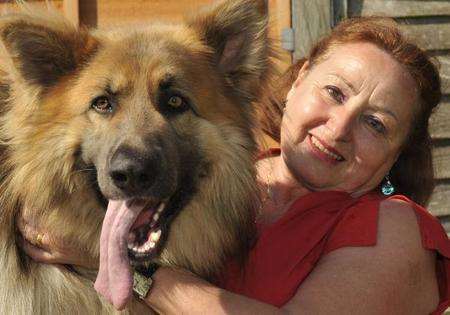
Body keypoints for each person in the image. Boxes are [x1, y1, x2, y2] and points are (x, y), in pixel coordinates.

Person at [19, 16, 450, 314]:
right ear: (298, 81)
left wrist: (117, 262)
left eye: (375, 124)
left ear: (398, 152)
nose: (338, 128)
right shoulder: (234, 177)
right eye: (335, 93)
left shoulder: (395, 231)